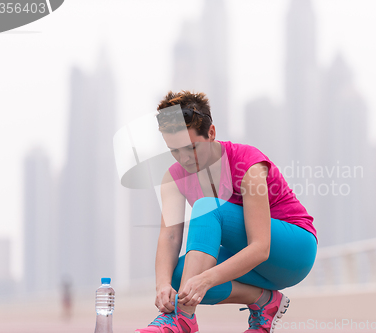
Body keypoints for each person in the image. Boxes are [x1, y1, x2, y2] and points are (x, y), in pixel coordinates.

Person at [135, 91, 318, 333]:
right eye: (175, 151)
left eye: (191, 147)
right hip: (252, 266)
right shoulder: (174, 177)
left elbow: (260, 247)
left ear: (211, 133)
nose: (185, 158)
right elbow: (169, 236)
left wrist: (205, 279)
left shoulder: (247, 163)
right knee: (180, 277)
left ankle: (183, 318)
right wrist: (163, 285)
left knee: (206, 208)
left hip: (293, 250)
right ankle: (264, 301)